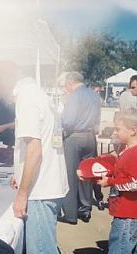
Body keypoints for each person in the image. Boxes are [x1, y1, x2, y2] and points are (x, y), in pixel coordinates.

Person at [0, 61, 69, 254]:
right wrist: (20, 172)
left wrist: (22, 194)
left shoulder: (26, 98)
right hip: (46, 185)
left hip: (40, 190)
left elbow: (35, 149)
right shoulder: (37, 93)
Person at [90, 109, 137, 254]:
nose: (115, 132)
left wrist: (109, 182)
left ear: (133, 129)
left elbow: (134, 182)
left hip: (127, 215)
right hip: (129, 215)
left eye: (118, 129)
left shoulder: (133, 153)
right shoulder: (128, 150)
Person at [60, 72, 101, 224]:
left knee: (70, 175)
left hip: (75, 136)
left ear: (70, 83)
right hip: (90, 137)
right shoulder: (94, 95)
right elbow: (97, 119)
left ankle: (70, 214)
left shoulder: (74, 96)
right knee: (86, 174)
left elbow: (68, 121)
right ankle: (85, 210)